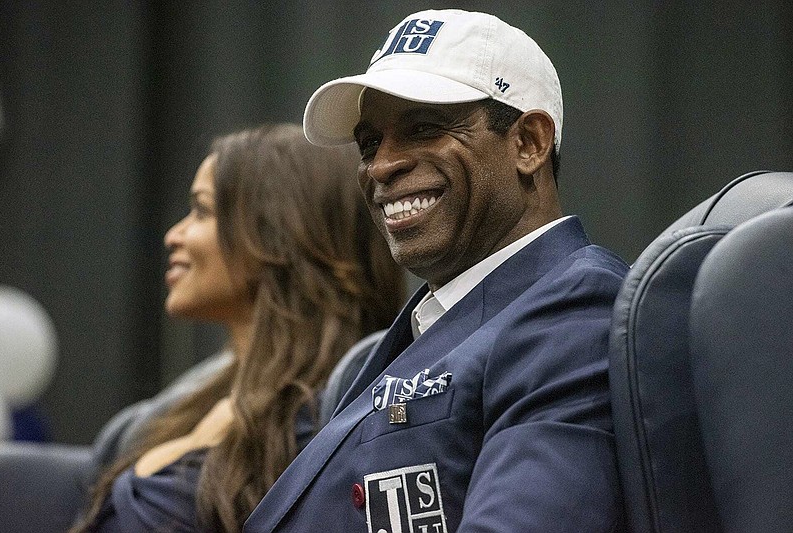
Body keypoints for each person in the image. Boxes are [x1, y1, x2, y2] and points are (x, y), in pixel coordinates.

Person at [244, 9, 629, 532]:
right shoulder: (433, 321)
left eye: (424, 129)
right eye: (370, 144)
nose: (381, 166)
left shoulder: (576, 313)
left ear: (528, 144)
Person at [69, 124, 406, 532]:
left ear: (277, 234)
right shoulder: (186, 402)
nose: (173, 235)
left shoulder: (329, 424)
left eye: (202, 210)